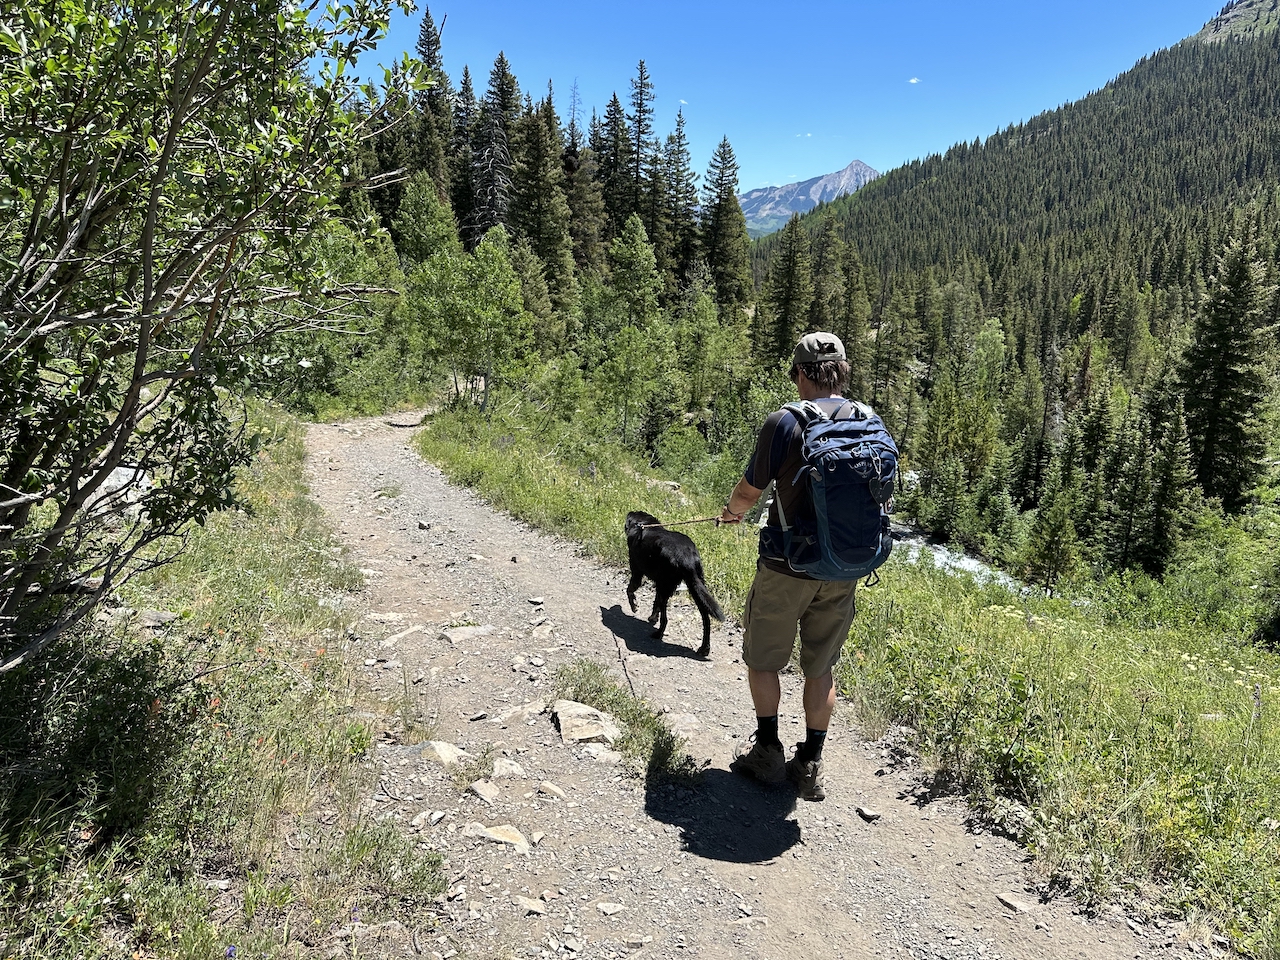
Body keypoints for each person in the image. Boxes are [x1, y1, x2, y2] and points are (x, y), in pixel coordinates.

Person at [718, 331, 860, 802]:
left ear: (800, 373)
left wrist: (732, 513)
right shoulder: (866, 421)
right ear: (842, 372)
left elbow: (749, 490)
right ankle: (810, 764)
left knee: (763, 659)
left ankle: (768, 752)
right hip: (842, 570)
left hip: (785, 566)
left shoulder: (785, 422)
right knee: (821, 669)